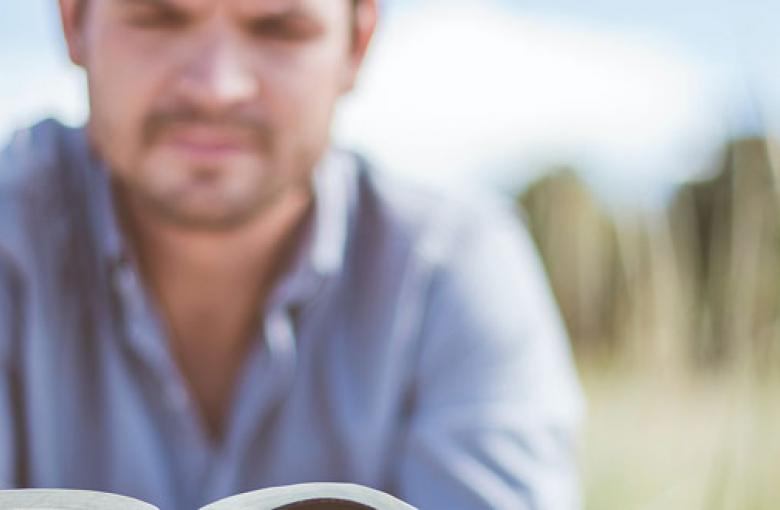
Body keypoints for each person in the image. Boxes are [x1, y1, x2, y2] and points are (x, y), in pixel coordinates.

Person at [0, 0, 584, 508]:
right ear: (73, 19)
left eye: (279, 28)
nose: (216, 86)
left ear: (357, 43)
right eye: (158, 17)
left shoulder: (453, 270)